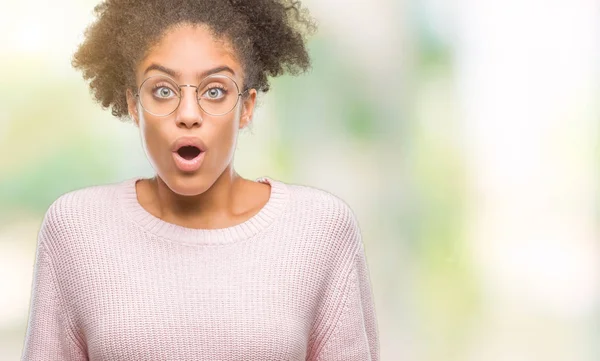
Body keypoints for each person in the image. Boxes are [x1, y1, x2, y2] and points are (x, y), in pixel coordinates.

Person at [20, 0, 380, 360]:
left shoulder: (319, 228)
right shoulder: (76, 228)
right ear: (133, 104)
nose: (188, 115)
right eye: (162, 90)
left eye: (214, 90)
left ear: (247, 107)